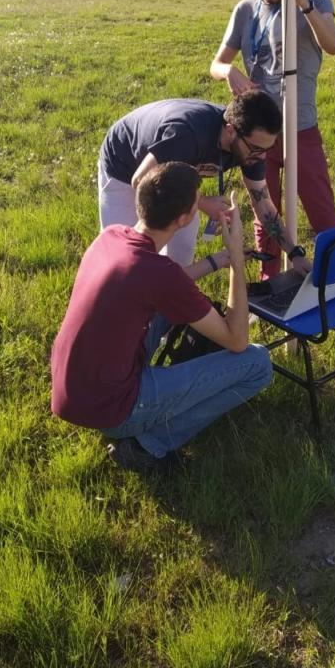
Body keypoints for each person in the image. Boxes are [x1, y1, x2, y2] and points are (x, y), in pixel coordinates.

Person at [51, 162, 272, 473]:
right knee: (257, 364)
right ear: (184, 219)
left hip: (74, 390)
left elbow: (165, 282)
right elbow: (237, 340)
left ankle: (167, 390)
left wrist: (213, 261)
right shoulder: (159, 274)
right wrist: (236, 258)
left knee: (183, 308)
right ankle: (147, 445)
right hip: (113, 409)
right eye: (198, 202)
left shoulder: (113, 236)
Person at [210, 0, 335, 279]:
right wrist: (229, 73)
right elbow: (216, 62)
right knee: (265, 213)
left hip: (301, 128)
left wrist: (304, 2)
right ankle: (271, 287)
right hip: (257, 135)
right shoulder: (245, 10)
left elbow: (332, 45)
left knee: (323, 214)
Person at [98, 90, 311, 274]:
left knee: (180, 253)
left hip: (174, 175)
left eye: (267, 149)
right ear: (230, 131)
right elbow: (141, 180)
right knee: (126, 256)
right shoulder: (187, 135)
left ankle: (166, 312)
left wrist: (294, 253)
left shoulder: (252, 147)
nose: (261, 158)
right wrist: (202, 203)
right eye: (256, 149)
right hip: (124, 165)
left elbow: (264, 205)